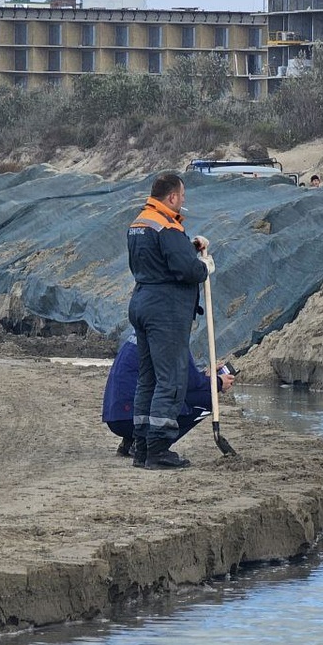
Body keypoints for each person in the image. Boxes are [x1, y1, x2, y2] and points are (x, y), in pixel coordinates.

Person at [126, 172, 213, 470]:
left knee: (147, 378)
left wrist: (189, 248)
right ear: (173, 197)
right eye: (182, 198)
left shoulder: (139, 223)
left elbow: (159, 260)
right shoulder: (167, 226)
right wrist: (203, 265)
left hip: (142, 302)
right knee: (171, 378)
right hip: (165, 311)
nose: (183, 203)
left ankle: (141, 446)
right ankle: (158, 448)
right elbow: (186, 270)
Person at [102, 335, 235, 463]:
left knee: (151, 391)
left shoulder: (143, 330)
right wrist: (217, 382)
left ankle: (132, 441)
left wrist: (206, 377)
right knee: (207, 400)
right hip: (130, 419)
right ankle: (155, 446)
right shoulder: (171, 333)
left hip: (116, 416)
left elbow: (173, 378)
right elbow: (186, 381)